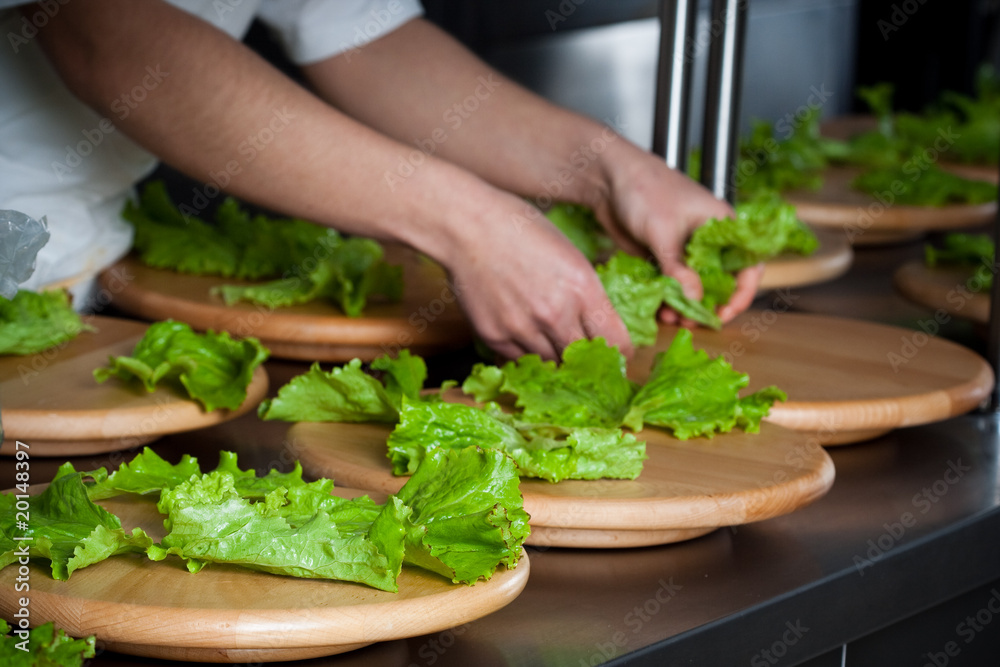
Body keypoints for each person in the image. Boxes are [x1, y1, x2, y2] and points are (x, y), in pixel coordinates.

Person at [0, 0, 760, 360]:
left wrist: (611, 170)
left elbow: (360, 34)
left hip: (67, 281)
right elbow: (109, 35)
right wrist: (472, 224)